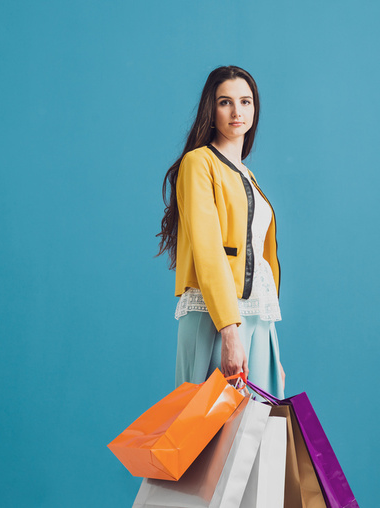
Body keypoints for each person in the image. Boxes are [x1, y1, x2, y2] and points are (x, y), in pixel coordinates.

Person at [156, 65, 285, 398]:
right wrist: (230, 333)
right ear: (210, 111)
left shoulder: (248, 176)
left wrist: (272, 347)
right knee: (209, 434)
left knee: (254, 433)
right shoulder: (199, 163)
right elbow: (208, 251)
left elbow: (259, 257)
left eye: (245, 102)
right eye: (225, 102)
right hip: (218, 317)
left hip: (258, 316)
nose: (237, 111)